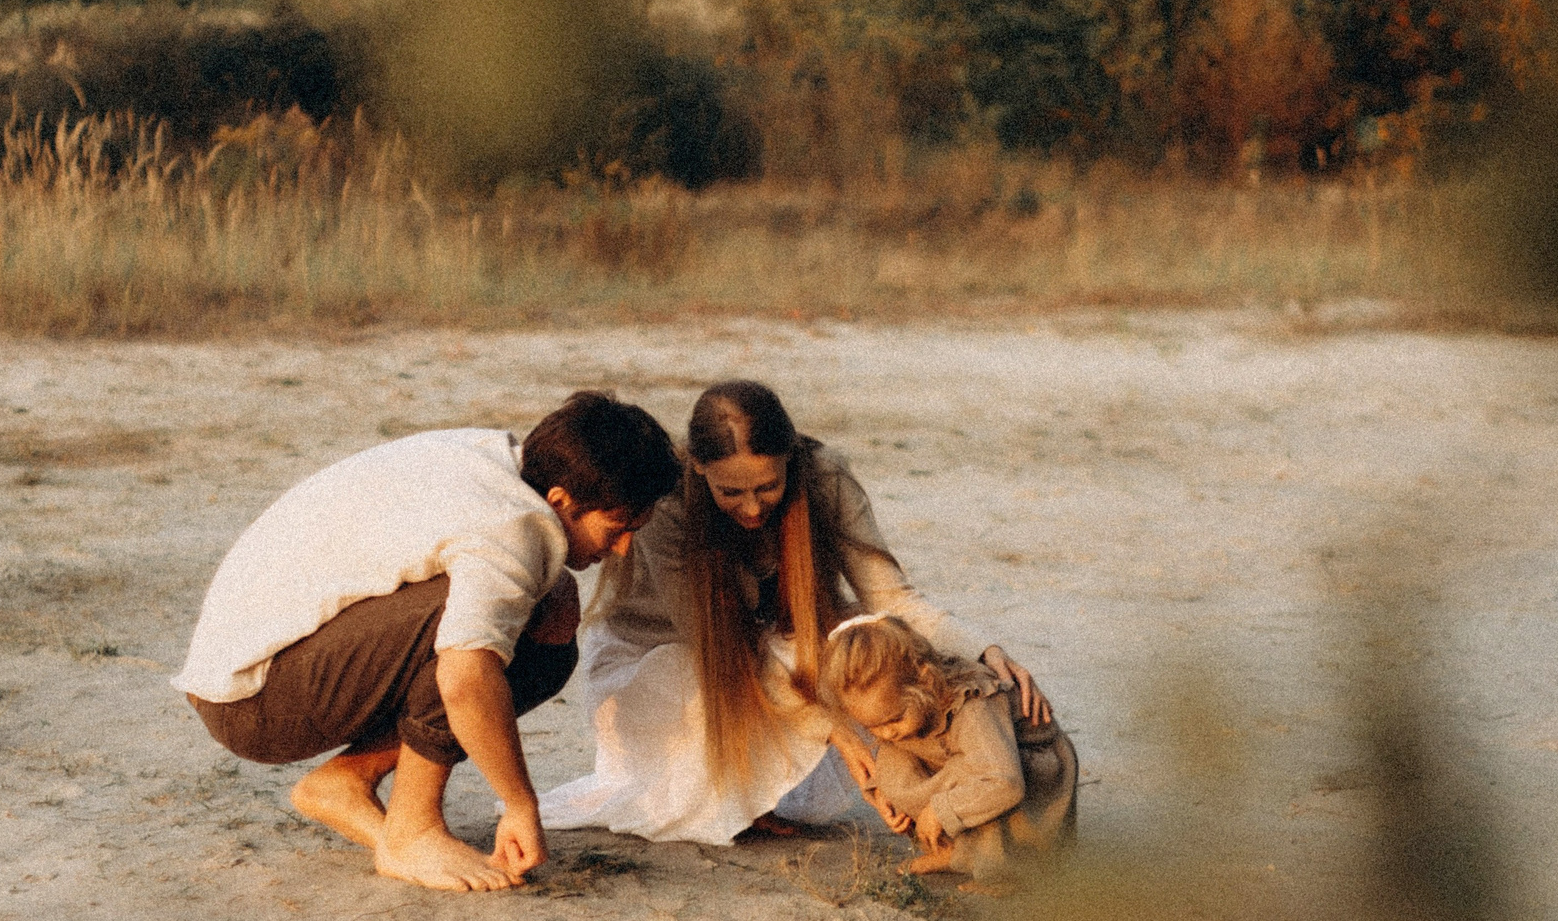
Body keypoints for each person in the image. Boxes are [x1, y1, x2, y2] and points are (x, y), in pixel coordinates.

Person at [174, 392, 681, 892]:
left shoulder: (500, 460)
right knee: (470, 639)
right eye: (615, 528)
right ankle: (414, 829)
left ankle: (347, 781)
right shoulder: (514, 526)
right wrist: (521, 803)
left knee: (551, 614)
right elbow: (464, 677)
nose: (621, 549)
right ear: (560, 500)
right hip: (252, 701)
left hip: (274, 669)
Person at [539, 378, 1053, 846]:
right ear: (697, 465)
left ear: (790, 459)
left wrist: (986, 649)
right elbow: (726, 648)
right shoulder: (666, 505)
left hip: (777, 641)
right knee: (724, 684)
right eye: (730, 491)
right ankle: (745, 796)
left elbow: (891, 599)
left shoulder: (825, 475)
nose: (753, 508)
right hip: (668, 659)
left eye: (768, 486)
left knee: (874, 656)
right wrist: (833, 727)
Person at [821, 612, 1078, 877]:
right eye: (872, 726)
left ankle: (999, 868)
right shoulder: (903, 707)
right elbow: (891, 746)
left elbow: (1005, 783)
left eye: (895, 719)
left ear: (925, 680)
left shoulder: (973, 705)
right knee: (890, 763)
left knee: (974, 777)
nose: (886, 733)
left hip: (1026, 770)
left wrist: (941, 811)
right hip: (965, 760)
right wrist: (884, 791)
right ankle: (950, 848)